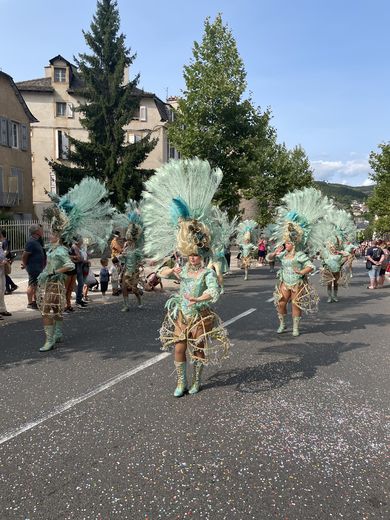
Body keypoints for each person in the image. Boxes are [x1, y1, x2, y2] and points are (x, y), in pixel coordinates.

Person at [142, 158, 231, 397]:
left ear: (201, 255)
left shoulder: (206, 272)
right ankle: (181, 382)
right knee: (179, 348)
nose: (192, 258)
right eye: (189, 255)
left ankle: (197, 380)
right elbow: (159, 273)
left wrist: (200, 296)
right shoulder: (181, 269)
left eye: (196, 255)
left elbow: (214, 291)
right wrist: (168, 271)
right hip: (182, 313)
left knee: (198, 347)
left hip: (200, 314)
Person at [39, 177, 116, 351]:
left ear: (58, 236)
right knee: (56, 310)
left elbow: (70, 266)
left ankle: (49, 340)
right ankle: (57, 334)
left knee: (46, 311)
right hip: (53, 284)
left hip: (54, 283)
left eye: (52, 233)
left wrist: (51, 272)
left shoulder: (59, 250)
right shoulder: (54, 249)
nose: (49, 235)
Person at [267, 187, 333, 337]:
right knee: (281, 302)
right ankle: (282, 324)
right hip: (284, 281)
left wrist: (302, 272)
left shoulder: (300, 255)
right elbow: (269, 259)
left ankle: (296, 327)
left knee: (296, 304)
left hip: (297, 282)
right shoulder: (282, 254)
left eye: (289, 243)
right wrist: (273, 253)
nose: (286, 244)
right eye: (286, 242)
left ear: (294, 244)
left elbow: (310, 266)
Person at [118, 201, 144, 311]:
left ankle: (139, 300)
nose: (127, 242)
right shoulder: (126, 248)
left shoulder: (136, 250)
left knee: (133, 289)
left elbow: (141, 261)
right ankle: (126, 305)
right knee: (124, 287)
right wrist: (121, 256)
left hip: (134, 271)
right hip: (125, 271)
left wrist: (140, 264)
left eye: (129, 240)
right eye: (127, 240)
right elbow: (122, 259)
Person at [21, 224, 45, 310]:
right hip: (33, 267)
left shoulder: (37, 241)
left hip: (38, 266)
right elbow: (25, 255)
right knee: (32, 284)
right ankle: (30, 303)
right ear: (36, 231)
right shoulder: (31, 242)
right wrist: (24, 264)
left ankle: (36, 301)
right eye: (41, 230)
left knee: (36, 284)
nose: (42, 231)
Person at [0, 229, 18, 294]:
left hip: (6, 260)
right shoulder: (4, 241)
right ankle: (11, 287)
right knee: (5, 274)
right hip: (5, 259)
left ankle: (9, 288)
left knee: (5, 274)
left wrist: (2, 257)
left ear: (1, 234)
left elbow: (7, 251)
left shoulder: (5, 241)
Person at [0, 244, 12, 320]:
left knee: (2, 291)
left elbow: (2, 256)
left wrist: (5, 260)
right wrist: (2, 263)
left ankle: (2, 309)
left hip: (1, 272)